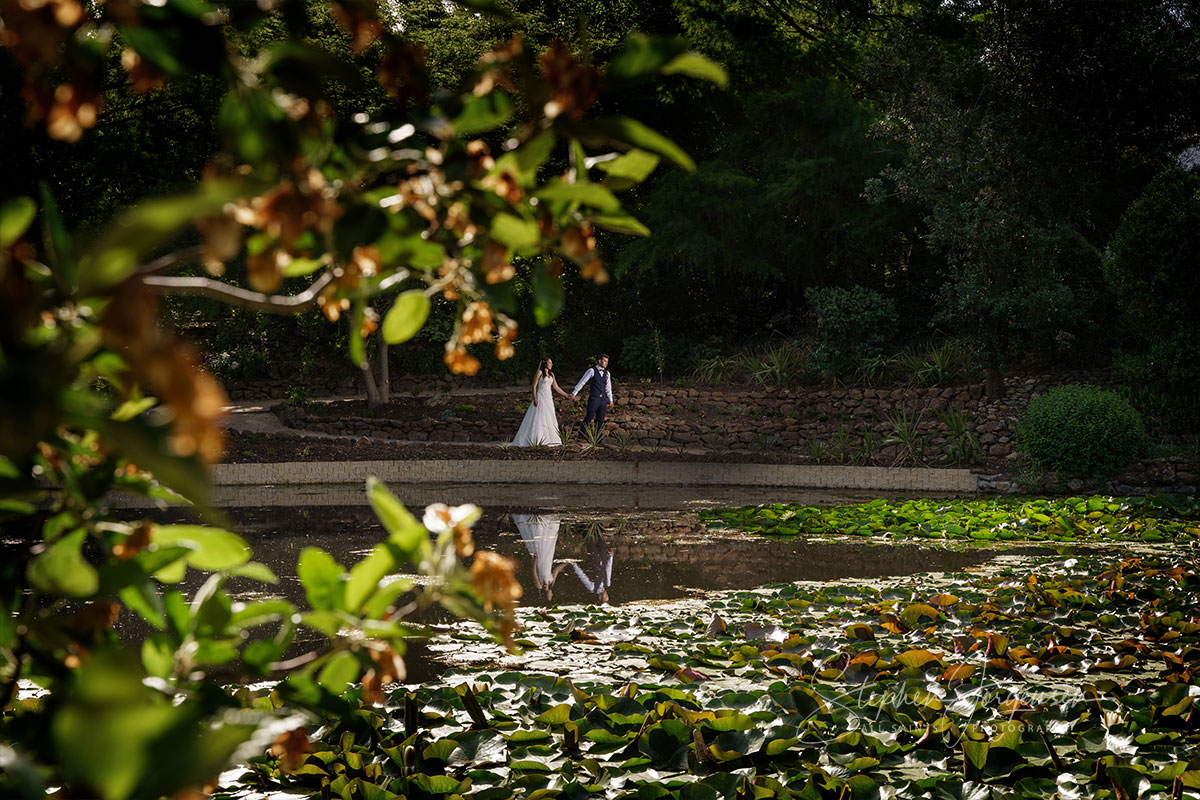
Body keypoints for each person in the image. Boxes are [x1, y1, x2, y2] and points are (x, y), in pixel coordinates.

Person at [511, 357, 570, 446]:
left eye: (551, 362)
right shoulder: (540, 372)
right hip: (541, 397)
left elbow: (556, 387)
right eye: (549, 362)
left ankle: (550, 439)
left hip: (548, 398)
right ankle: (537, 438)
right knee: (539, 417)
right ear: (545, 363)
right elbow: (534, 385)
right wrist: (535, 398)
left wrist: (566, 395)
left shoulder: (551, 374)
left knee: (549, 417)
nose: (551, 364)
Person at [512, 513, 568, 603]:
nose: (551, 594)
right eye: (551, 595)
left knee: (538, 545)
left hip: (540, 562)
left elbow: (534, 572)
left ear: (546, 595)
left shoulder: (540, 586)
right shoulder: (551, 583)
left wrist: (535, 559)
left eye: (550, 596)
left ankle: (537, 523)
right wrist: (567, 563)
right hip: (547, 561)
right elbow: (556, 571)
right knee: (548, 543)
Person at [568, 354, 614, 438]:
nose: (606, 363)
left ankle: (597, 438)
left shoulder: (607, 373)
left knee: (600, 419)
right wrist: (574, 393)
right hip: (594, 398)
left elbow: (608, 387)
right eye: (604, 361)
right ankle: (581, 436)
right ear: (599, 361)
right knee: (589, 417)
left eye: (607, 361)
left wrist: (611, 400)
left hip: (603, 399)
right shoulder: (591, 371)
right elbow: (582, 382)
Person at [571, 522, 613, 604]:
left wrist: (575, 565)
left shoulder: (592, 587)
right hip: (603, 561)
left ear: (600, 597)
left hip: (594, 562)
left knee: (590, 544)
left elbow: (583, 577)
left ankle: (583, 527)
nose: (606, 595)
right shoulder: (607, 584)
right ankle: (598, 526)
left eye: (605, 597)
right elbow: (608, 570)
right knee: (601, 542)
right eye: (607, 597)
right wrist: (611, 557)